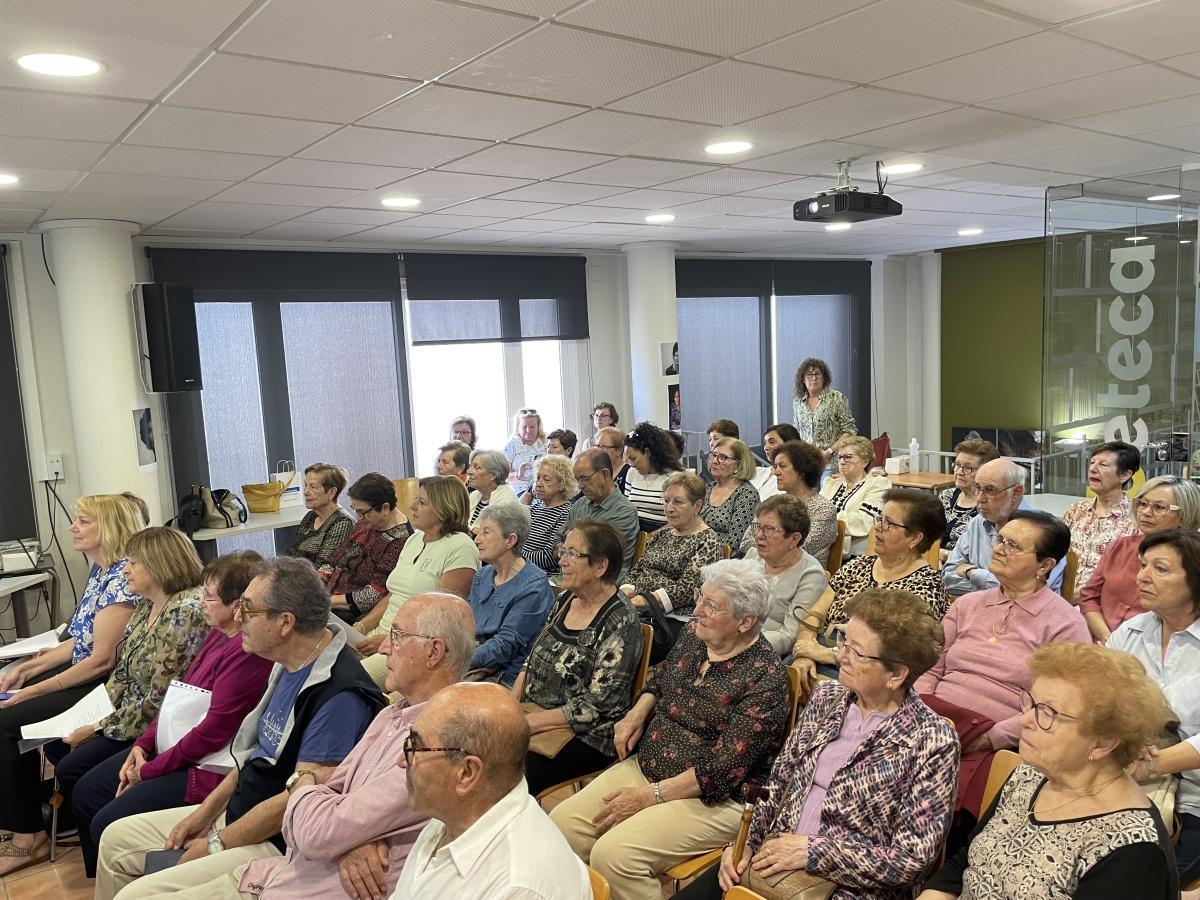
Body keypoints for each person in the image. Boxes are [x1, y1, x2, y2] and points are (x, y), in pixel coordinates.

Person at [94, 557, 385, 900]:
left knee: (135, 895)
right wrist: (204, 813)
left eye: (248, 609)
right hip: (240, 811)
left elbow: (299, 803)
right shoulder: (288, 662)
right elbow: (252, 756)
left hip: (276, 840)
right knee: (114, 839)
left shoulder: (339, 697)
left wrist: (216, 843)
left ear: (285, 623)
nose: (238, 617)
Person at [677, 589, 959, 900]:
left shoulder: (932, 740)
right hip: (772, 861)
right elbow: (778, 785)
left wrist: (814, 852)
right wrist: (744, 844)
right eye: (844, 642)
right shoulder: (826, 699)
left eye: (857, 652)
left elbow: (910, 861)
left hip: (847, 888)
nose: (840, 656)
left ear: (897, 674)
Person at [550, 559, 790, 900]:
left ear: (745, 621)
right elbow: (662, 679)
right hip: (649, 765)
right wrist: (637, 713)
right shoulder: (695, 636)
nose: (697, 610)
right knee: (564, 825)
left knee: (616, 857)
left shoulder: (766, 677)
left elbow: (720, 770)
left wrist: (648, 797)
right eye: (700, 598)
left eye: (711, 606)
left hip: (714, 797)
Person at [232, 592, 477, 900]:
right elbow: (330, 798)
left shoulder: (436, 747)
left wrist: (304, 781)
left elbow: (316, 833)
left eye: (397, 636)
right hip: (281, 872)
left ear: (434, 651)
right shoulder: (391, 714)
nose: (384, 647)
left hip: (309, 886)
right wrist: (349, 838)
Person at [919, 642, 1178, 900]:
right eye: (1032, 704)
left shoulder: (1133, 850)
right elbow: (965, 863)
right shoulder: (1031, 775)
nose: (1025, 720)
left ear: (1104, 743)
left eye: (1048, 713)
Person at [72, 552, 272, 878]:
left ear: (238, 606)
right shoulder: (218, 633)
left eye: (209, 598)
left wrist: (148, 770)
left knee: (106, 820)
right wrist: (142, 745)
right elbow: (178, 694)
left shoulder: (245, 651)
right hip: (172, 744)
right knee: (86, 791)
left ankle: (133, 882)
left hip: (204, 766)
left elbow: (213, 731)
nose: (201, 603)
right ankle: (107, 881)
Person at [46, 528, 209, 864]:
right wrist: (88, 716)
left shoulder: (184, 612)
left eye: (133, 562)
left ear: (159, 565)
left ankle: (107, 852)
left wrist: (97, 728)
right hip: (129, 714)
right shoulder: (146, 606)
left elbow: (160, 698)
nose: (125, 569)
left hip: (153, 725)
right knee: (60, 749)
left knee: (78, 774)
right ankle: (98, 839)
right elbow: (121, 675)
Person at [0, 494, 142, 875]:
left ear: (109, 528)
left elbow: (101, 660)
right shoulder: (100, 572)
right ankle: (24, 817)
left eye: (83, 521)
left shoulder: (122, 579)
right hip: (85, 675)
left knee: (5, 721)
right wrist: (28, 670)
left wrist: (32, 690)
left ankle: (27, 837)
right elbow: (77, 642)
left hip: (102, 689)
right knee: (9, 701)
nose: (72, 528)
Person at [392, 682, 591, 899]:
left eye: (416, 746)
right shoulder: (454, 813)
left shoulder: (517, 887)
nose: (402, 760)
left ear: (466, 773)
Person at [916, 511, 1091, 753]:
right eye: (1001, 540)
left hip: (998, 743)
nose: (999, 549)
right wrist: (919, 711)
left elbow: (1054, 705)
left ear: (1045, 565)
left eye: (1013, 545)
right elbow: (929, 667)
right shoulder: (967, 604)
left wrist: (991, 738)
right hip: (930, 719)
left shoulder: (1066, 624)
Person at [515, 521, 642, 796]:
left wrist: (528, 724)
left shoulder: (621, 620)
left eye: (573, 553)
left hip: (589, 734)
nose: (562, 560)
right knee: (479, 742)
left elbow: (596, 706)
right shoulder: (565, 600)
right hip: (536, 712)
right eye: (563, 551)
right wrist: (511, 705)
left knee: (509, 771)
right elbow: (532, 658)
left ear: (600, 566)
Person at [1108, 529, 1200, 885]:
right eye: (1143, 565)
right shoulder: (1130, 633)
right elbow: (1098, 701)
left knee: (1143, 880)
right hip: (1122, 776)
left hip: (1191, 796)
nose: (1142, 576)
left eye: (1160, 569)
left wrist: (1150, 765)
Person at [792, 489, 949, 681]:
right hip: (819, 652)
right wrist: (805, 653)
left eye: (889, 523)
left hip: (868, 676)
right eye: (880, 518)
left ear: (915, 538)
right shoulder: (858, 565)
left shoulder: (926, 587)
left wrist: (827, 655)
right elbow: (814, 615)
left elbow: (899, 655)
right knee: (785, 675)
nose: (878, 527)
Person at [357, 476, 480, 688]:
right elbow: (394, 594)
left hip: (413, 645)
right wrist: (362, 626)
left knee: (348, 680)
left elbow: (444, 619)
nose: (412, 506)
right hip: (384, 635)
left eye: (421, 502)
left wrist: (391, 639)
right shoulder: (414, 539)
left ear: (444, 508)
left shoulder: (461, 548)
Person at [1078, 474, 1200, 642]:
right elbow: (1089, 597)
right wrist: (1109, 639)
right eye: (1143, 504)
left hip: (1160, 645)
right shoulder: (1119, 546)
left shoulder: (1192, 559)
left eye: (1159, 507)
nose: (1146, 512)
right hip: (1101, 640)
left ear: (1184, 515)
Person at [619, 471, 723, 660]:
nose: (669, 508)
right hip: (638, 611)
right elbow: (638, 570)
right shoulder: (663, 535)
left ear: (697, 506)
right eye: (666, 501)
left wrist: (644, 600)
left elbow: (688, 590)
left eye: (678, 502)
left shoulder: (707, 541)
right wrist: (626, 592)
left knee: (615, 643)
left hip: (674, 622)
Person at [942, 457, 1065, 597]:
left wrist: (971, 573)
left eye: (990, 490)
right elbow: (948, 577)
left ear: (1016, 492)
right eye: (977, 488)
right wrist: (1001, 586)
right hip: (980, 608)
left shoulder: (1045, 530)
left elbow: (1031, 590)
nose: (980, 498)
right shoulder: (977, 523)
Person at [467, 504, 555, 685]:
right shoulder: (482, 575)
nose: (477, 539)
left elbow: (505, 646)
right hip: (473, 664)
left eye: (486, 532)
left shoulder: (533, 587)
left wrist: (457, 658)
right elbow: (465, 623)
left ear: (510, 540)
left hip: (505, 677)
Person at [318, 474, 412, 626]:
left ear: (385, 508)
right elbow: (333, 560)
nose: (358, 517)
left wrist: (327, 601)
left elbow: (375, 593)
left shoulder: (400, 540)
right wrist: (317, 584)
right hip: (327, 599)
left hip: (351, 614)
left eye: (362, 512)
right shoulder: (366, 522)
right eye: (355, 510)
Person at [744, 495, 828, 655]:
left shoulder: (810, 575)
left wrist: (741, 645)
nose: (759, 535)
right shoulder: (752, 557)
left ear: (794, 539)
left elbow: (790, 636)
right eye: (758, 526)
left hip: (766, 654)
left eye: (768, 529)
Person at [739, 439, 839, 565]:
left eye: (782, 466)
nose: (775, 472)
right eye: (775, 466)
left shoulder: (823, 509)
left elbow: (800, 549)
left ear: (801, 471)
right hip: (759, 569)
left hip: (802, 573)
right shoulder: (773, 503)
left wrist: (763, 548)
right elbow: (746, 543)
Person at [1062, 440, 1140, 598]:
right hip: (1062, 596)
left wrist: (1080, 596)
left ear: (1125, 475)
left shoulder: (1136, 519)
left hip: (1103, 601)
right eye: (1092, 463)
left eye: (1103, 465)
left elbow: (1128, 577)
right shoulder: (1076, 510)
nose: (1093, 469)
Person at [558, 449, 640, 581]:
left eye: (585, 478)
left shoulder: (624, 512)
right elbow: (557, 539)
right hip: (567, 579)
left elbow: (595, 557)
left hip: (600, 584)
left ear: (605, 474)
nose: (580, 485)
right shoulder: (579, 504)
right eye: (578, 479)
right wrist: (568, 550)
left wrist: (566, 547)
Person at [821, 434, 891, 557]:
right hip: (825, 550)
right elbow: (813, 514)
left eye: (848, 457)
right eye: (840, 457)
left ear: (865, 461)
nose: (842, 462)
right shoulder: (830, 483)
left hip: (857, 556)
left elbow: (864, 523)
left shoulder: (878, 485)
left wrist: (825, 520)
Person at [938, 438, 999, 557]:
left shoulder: (990, 507)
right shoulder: (945, 495)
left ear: (986, 472)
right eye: (957, 465)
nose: (959, 472)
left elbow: (984, 555)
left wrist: (943, 554)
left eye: (967, 468)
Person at [618, 421, 683, 533]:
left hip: (664, 534)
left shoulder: (675, 477)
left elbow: (679, 519)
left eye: (633, 459)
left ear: (647, 452)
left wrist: (651, 537)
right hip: (633, 532)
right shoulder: (632, 473)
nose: (631, 464)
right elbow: (626, 510)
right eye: (628, 460)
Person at [287, 463, 353, 568]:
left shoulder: (343, 523)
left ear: (332, 492)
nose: (305, 492)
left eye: (313, 487)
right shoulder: (311, 516)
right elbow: (291, 554)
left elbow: (323, 567)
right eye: (306, 485)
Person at [701, 436, 760, 552]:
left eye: (722, 457)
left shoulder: (746, 494)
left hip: (723, 557)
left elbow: (734, 543)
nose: (714, 461)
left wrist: (696, 542)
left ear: (739, 465)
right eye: (713, 455)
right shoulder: (706, 489)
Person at [519, 454, 575, 575]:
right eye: (538, 478)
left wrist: (514, 557)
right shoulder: (536, 506)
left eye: (546, 479)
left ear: (561, 485)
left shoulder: (566, 513)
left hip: (541, 576)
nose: (539, 483)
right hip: (519, 569)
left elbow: (548, 558)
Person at [791, 356, 856, 457]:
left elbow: (850, 431)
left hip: (833, 460)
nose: (814, 378)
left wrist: (830, 452)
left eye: (817, 374)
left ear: (824, 378)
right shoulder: (798, 402)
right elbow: (797, 432)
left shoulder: (837, 398)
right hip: (807, 460)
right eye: (809, 375)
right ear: (803, 379)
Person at [466, 448, 519, 528]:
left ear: (493, 475)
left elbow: (489, 532)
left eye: (477, 467)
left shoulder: (506, 501)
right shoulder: (475, 495)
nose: (469, 472)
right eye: (471, 466)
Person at [502, 407, 547, 496]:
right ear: (518, 427)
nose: (528, 430)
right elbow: (503, 476)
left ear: (538, 427)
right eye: (524, 427)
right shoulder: (512, 445)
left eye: (532, 427)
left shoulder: (545, 442)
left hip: (543, 486)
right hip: (520, 488)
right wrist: (518, 475)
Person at [751, 422, 800, 500]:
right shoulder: (758, 472)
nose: (766, 447)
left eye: (772, 442)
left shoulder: (794, 479)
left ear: (788, 444)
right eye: (765, 443)